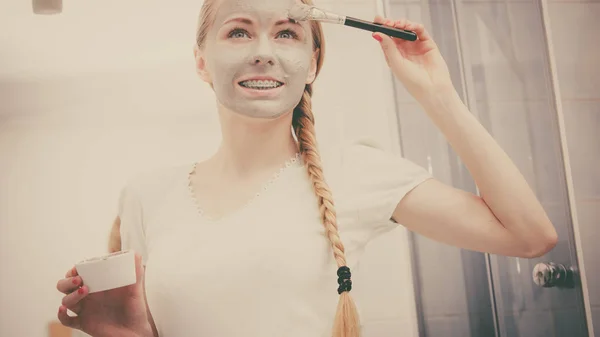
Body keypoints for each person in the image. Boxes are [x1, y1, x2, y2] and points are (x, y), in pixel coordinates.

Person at [55, 0, 558, 336]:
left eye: (287, 33)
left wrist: (437, 93)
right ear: (202, 62)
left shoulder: (356, 172)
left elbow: (529, 236)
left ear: (314, 62)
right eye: (238, 32)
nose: (263, 53)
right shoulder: (146, 194)